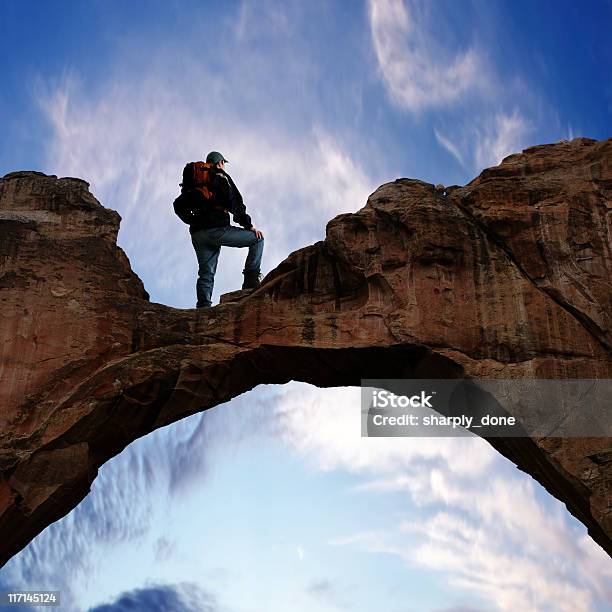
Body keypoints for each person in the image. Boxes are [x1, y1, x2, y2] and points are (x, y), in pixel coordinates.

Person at [188, 151, 264, 308]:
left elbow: (178, 205)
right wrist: (249, 226)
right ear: (220, 163)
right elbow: (235, 203)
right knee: (258, 239)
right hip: (217, 230)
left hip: (197, 233)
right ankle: (250, 282)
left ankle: (203, 309)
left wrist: (192, 221)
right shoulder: (220, 176)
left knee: (206, 273)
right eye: (223, 163)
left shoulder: (196, 180)